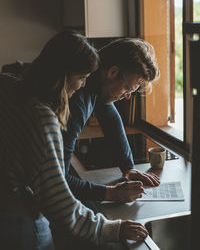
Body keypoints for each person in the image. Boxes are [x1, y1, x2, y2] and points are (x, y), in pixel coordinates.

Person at [0, 31, 149, 250]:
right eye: (82, 78)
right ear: (64, 75)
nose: (82, 85)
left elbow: (109, 115)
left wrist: (127, 166)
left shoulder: (10, 86)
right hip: (19, 218)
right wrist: (111, 228)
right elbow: (59, 201)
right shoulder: (46, 116)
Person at [63, 37, 160, 205]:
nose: (128, 96)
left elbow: (112, 120)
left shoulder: (95, 88)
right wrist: (110, 194)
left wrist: (128, 168)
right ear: (113, 72)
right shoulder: (76, 101)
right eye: (128, 88)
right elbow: (58, 180)